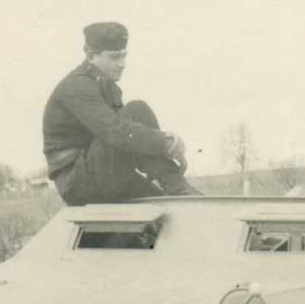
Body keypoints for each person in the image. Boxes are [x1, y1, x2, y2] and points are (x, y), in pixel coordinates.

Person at [42, 22, 201, 205]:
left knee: (161, 207)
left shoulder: (109, 87)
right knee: (137, 110)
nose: (122, 64)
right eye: (114, 57)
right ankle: (178, 187)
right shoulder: (77, 86)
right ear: (90, 54)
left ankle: (176, 187)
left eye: (123, 57)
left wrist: (165, 146)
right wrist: (165, 143)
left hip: (101, 172)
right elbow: (117, 132)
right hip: (77, 183)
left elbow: (130, 138)